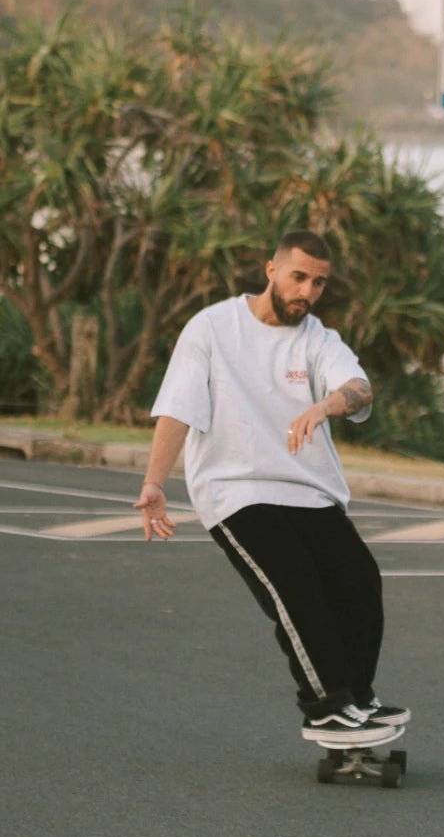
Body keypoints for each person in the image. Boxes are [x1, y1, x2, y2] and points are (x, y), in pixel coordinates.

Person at [134, 229, 409, 744]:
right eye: (298, 277)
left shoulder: (319, 340)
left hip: (307, 488)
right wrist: (154, 482)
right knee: (295, 587)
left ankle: (356, 697)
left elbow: (358, 388)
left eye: (319, 284)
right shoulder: (213, 328)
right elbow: (178, 407)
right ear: (271, 271)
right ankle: (326, 705)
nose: (307, 292)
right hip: (235, 489)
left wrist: (326, 405)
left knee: (360, 580)